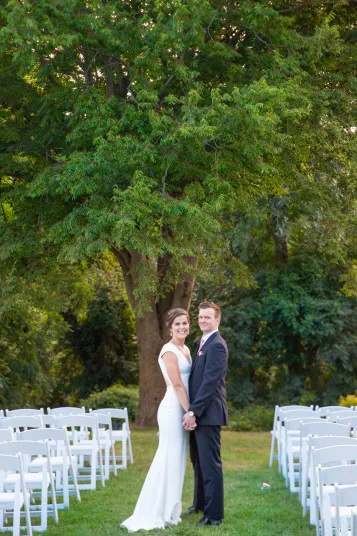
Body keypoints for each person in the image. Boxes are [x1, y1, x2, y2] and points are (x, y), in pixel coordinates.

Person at [121, 308, 195, 532]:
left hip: (183, 408)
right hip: (174, 409)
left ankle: (171, 510)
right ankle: (154, 511)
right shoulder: (168, 351)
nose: (182, 327)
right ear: (169, 328)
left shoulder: (186, 348)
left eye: (185, 323)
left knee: (178, 459)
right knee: (168, 457)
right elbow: (178, 384)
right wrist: (190, 412)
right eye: (177, 324)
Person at [182, 301, 228, 526]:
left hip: (208, 416)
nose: (203, 321)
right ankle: (199, 504)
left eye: (207, 317)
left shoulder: (217, 345)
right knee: (198, 463)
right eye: (200, 317)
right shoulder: (202, 342)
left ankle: (214, 515)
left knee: (210, 467)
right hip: (199, 414)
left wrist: (193, 411)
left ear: (217, 320)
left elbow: (209, 384)